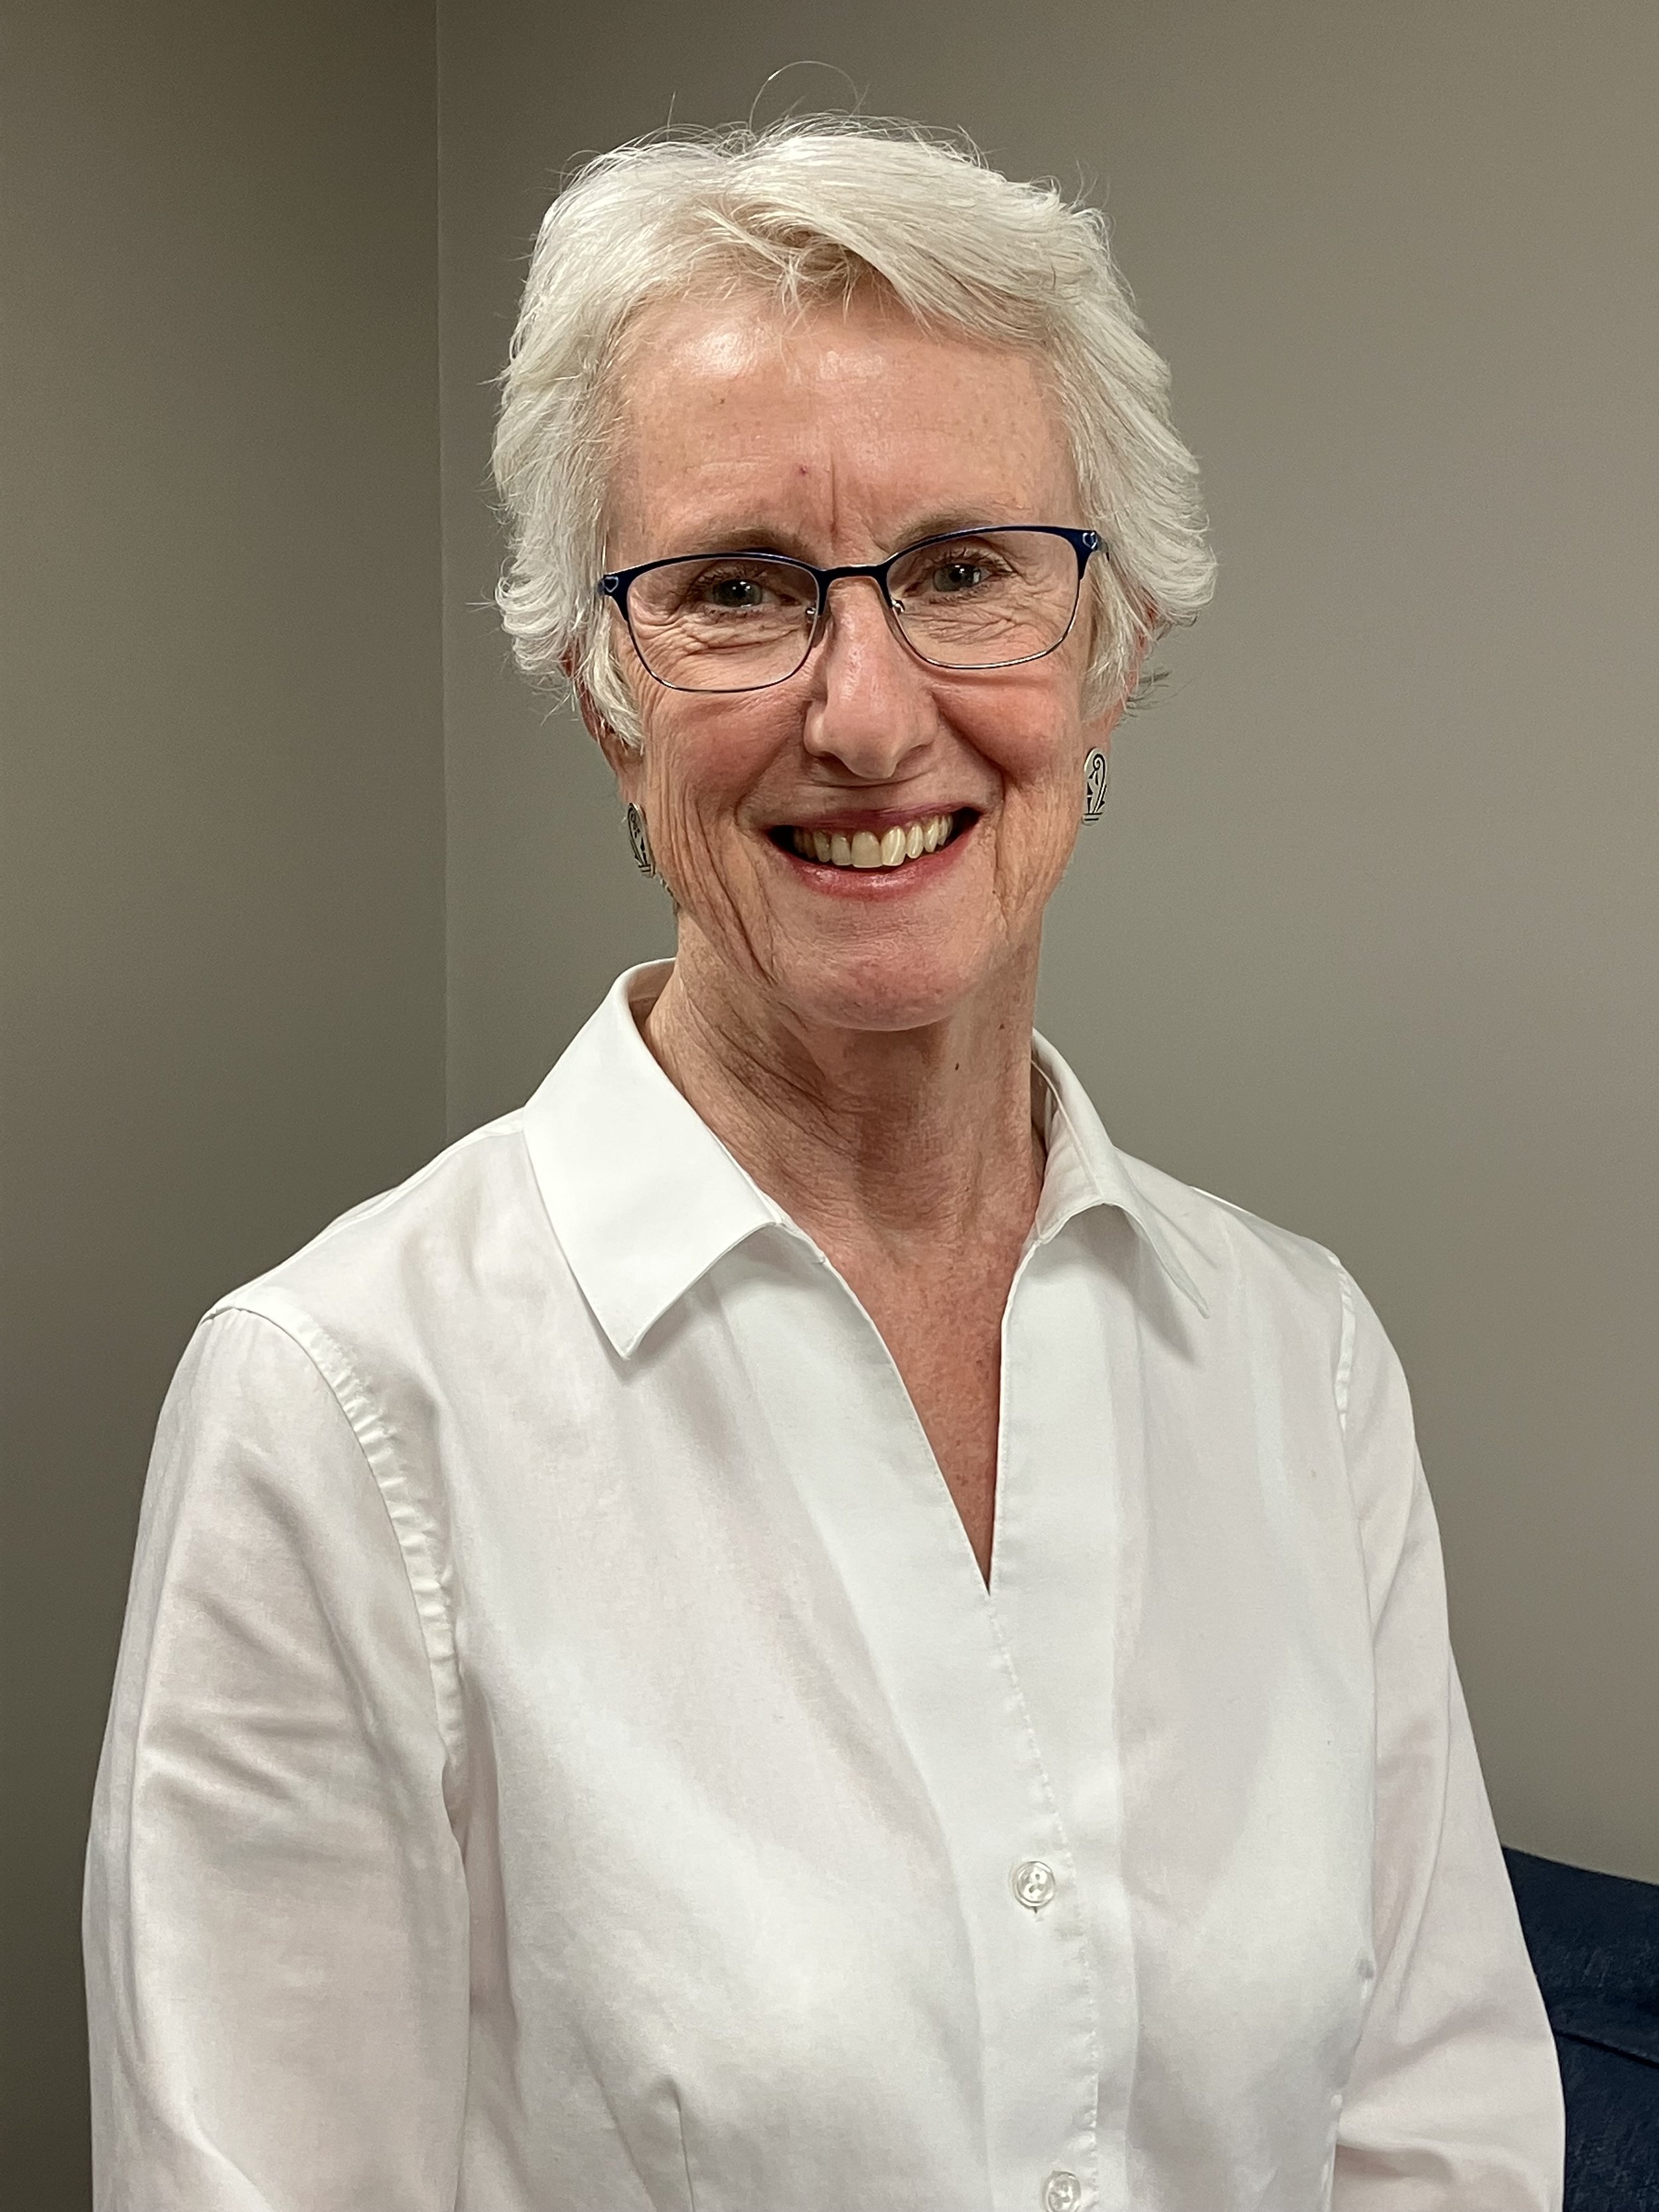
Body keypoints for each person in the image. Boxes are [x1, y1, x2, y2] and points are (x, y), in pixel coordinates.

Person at [84, 118, 1565, 2210]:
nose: (865, 717)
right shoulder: (337, 1405)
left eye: (963, 571)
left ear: (1109, 651)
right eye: (735, 591)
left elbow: (1436, 2130)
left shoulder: (1296, 1363)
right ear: (604, 696)